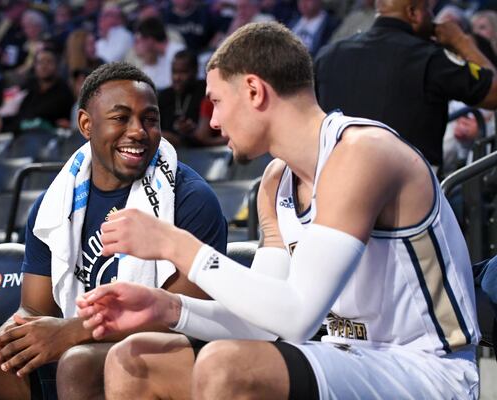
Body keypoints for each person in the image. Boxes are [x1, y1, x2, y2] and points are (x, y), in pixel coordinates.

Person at [76, 22, 481, 399]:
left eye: (217, 101)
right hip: (347, 357)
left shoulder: (362, 154)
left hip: (429, 370)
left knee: (228, 365)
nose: (213, 121)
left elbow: (296, 317)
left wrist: (174, 245)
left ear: (254, 91)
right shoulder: (274, 183)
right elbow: (266, 322)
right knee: (138, 360)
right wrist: (167, 307)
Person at [0, 62, 227, 400]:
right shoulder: (54, 204)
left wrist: (75, 332)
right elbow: (35, 309)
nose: (138, 131)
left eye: (150, 119)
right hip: (72, 350)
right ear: (85, 124)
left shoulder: (190, 198)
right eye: (121, 118)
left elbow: (183, 314)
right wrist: (17, 331)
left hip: (159, 355)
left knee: (78, 363)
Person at [314, 0, 497, 173]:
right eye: (428, 9)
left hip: (332, 185)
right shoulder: (430, 58)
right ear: (413, 13)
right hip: (408, 194)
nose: (432, 17)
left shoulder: (328, 56)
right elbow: (493, 93)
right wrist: (461, 41)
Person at [158, 50, 226, 147]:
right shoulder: (164, 96)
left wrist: (191, 132)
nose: (177, 77)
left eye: (183, 72)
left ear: (195, 70)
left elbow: (205, 136)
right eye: (174, 72)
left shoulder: (206, 90)